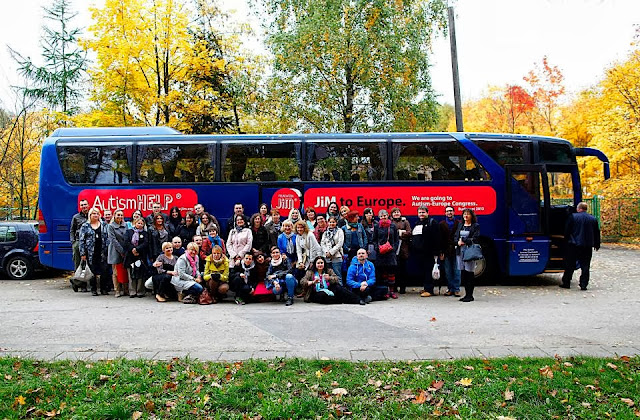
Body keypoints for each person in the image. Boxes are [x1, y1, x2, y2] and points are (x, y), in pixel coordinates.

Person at [561, 202, 601, 290]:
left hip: (574, 244)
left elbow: (567, 231)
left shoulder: (572, 217)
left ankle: (566, 282)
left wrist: (565, 242)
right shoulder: (593, 218)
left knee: (570, 264)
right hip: (587, 245)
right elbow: (596, 233)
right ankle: (584, 284)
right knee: (585, 265)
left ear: (578, 208)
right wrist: (597, 244)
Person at [78, 207, 110, 296]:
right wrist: (82, 253)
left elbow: (108, 238)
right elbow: (81, 240)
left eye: (97, 214)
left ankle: (103, 289)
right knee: (92, 271)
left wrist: (107, 248)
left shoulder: (104, 225)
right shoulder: (85, 226)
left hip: (102, 251)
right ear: (90, 215)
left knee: (104, 270)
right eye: (94, 214)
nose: (96, 215)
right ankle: (93, 289)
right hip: (90, 252)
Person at [411, 205, 442, 297]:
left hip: (429, 252)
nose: (421, 214)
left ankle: (429, 290)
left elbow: (437, 238)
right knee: (424, 271)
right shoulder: (417, 223)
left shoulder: (432, 223)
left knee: (429, 270)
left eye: (423, 212)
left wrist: (436, 252)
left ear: (427, 213)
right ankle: (426, 287)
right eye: (420, 212)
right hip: (419, 253)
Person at [454, 208, 481, 302]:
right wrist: (457, 242)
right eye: (464, 214)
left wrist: (464, 240)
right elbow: (456, 236)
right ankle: (466, 294)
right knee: (463, 273)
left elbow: (476, 238)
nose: (466, 216)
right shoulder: (460, 225)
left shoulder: (475, 226)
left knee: (469, 273)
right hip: (460, 251)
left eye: (468, 214)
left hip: (469, 251)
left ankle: (470, 295)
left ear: (471, 216)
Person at [124, 218, 150, 298]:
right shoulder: (129, 232)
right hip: (130, 256)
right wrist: (133, 249)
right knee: (131, 274)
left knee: (140, 274)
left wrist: (137, 249)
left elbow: (146, 243)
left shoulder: (145, 233)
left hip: (141, 255)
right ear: (135, 223)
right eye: (138, 223)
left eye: (142, 224)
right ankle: (132, 291)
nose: (140, 225)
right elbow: (126, 242)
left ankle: (140, 291)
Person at [376, 209, 399, 299]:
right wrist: (377, 248)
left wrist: (394, 248)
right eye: (381, 216)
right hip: (381, 253)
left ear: (388, 215)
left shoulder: (392, 226)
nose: (383, 217)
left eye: (385, 215)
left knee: (391, 272)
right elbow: (374, 239)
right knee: (384, 273)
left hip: (390, 252)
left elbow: (396, 239)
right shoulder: (377, 226)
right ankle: (386, 291)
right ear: (379, 217)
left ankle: (392, 291)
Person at [440, 206, 461, 297]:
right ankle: (450, 289)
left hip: (457, 249)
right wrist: (441, 252)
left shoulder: (459, 223)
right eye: (447, 211)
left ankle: (456, 289)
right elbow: (440, 239)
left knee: (457, 271)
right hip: (446, 250)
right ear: (445, 213)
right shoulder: (442, 224)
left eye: (451, 211)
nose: (449, 212)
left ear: (454, 212)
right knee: (448, 271)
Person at [107, 209, 128, 297]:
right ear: (114, 216)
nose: (120, 217)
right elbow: (113, 240)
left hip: (125, 250)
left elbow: (127, 237)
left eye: (121, 215)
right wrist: (121, 250)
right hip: (115, 250)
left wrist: (125, 250)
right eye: (118, 215)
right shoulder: (110, 226)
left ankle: (126, 289)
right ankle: (117, 290)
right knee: (115, 272)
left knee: (125, 271)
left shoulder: (126, 225)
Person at [391, 207, 411, 294]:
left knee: (403, 269)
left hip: (403, 248)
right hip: (393, 249)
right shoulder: (390, 222)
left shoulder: (405, 222)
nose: (396, 213)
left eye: (398, 212)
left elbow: (409, 232)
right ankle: (394, 287)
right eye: (394, 212)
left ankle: (403, 288)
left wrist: (401, 233)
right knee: (394, 269)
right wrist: (399, 233)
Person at [321, 216, 345, 284]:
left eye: (333, 222)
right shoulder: (325, 233)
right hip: (327, 257)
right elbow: (322, 243)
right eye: (330, 222)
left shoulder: (339, 231)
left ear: (336, 223)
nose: (331, 224)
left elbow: (340, 243)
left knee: (338, 275)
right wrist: (326, 252)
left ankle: (340, 288)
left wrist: (331, 252)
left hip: (336, 256)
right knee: (328, 275)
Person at [70, 198, 89, 271]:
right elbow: (72, 230)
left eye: (85, 204)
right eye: (82, 205)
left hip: (90, 241)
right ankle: (77, 275)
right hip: (79, 241)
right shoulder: (76, 217)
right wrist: (73, 242)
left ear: (88, 205)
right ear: (80, 206)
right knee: (77, 260)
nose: (84, 206)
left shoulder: (92, 215)